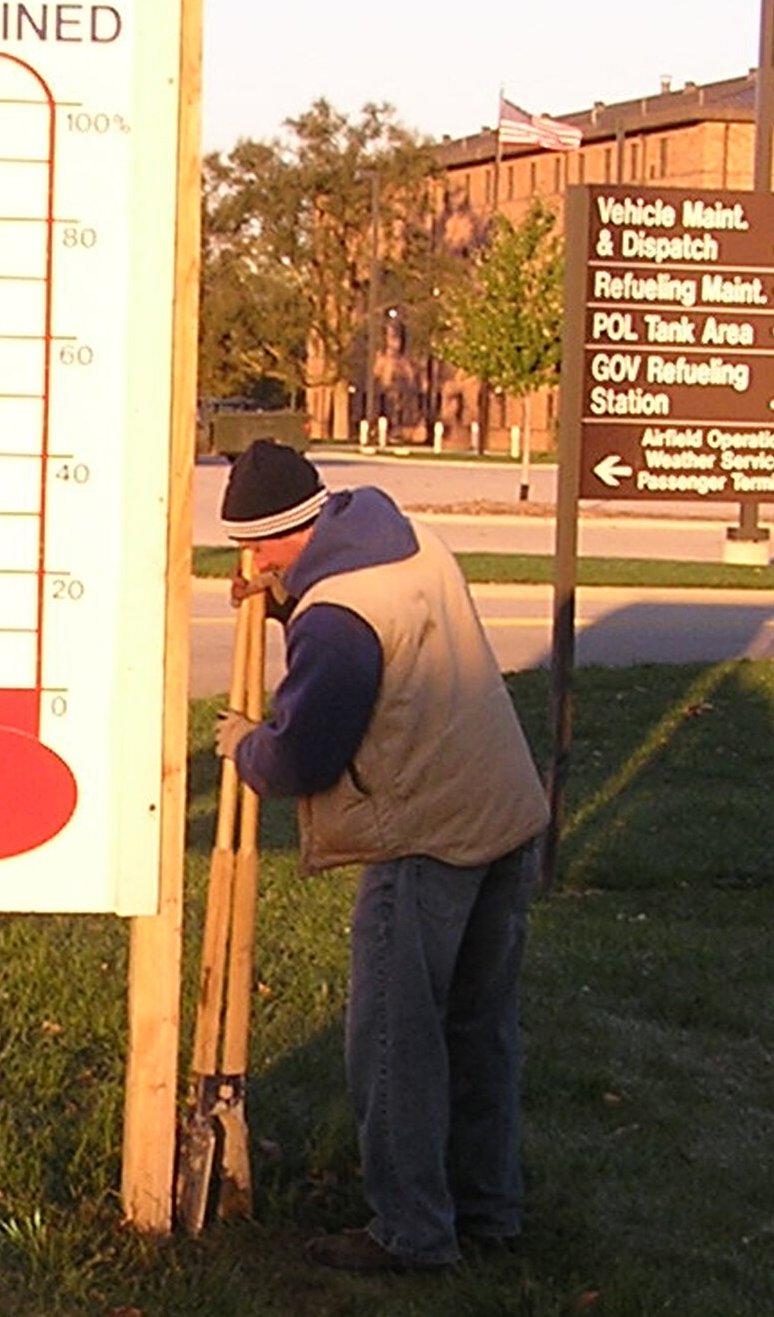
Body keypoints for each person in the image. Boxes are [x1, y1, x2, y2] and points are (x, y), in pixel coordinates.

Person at [212, 439, 547, 1274]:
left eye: (255, 546)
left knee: (396, 1044)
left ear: (281, 533)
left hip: (425, 836)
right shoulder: (403, 537)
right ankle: (488, 1213)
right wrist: (285, 599)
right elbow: (375, 642)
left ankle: (411, 1234)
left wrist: (245, 745)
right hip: (503, 810)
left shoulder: (336, 619)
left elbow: (302, 758)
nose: (250, 561)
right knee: (478, 1032)